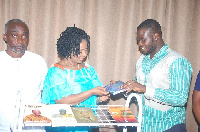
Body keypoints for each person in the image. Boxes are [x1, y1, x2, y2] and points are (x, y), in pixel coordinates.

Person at [122, 19, 193, 132]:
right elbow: (139, 88)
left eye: (143, 40)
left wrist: (145, 89)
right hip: (143, 125)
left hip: (168, 126)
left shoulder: (177, 61)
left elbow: (180, 98)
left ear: (156, 36)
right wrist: (123, 87)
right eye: (138, 40)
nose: (139, 44)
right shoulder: (141, 60)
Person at [41, 27, 110, 132]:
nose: (84, 54)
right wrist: (92, 92)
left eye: (86, 50)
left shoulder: (88, 70)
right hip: (62, 128)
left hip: (84, 127)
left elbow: (85, 100)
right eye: (80, 50)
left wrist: (99, 99)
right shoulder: (56, 72)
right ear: (67, 48)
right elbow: (63, 100)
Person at [0, 19, 48, 131]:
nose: (20, 40)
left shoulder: (38, 61)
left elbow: (44, 93)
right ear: (5, 37)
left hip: (33, 127)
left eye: (24, 36)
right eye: (15, 35)